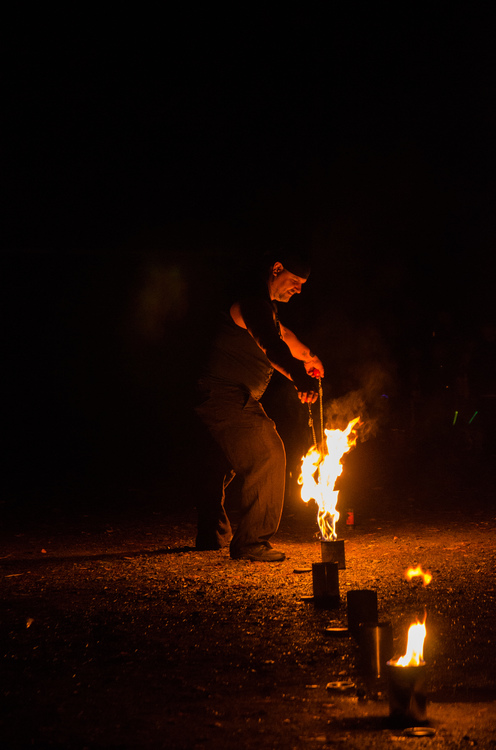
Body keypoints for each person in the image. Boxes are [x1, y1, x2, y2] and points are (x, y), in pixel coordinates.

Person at [194, 250, 324, 562]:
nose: (299, 289)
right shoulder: (252, 302)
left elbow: (283, 335)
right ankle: (251, 543)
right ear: (276, 269)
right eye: (294, 281)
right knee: (268, 452)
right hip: (224, 394)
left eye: (303, 284)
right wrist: (297, 377)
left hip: (220, 395)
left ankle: (212, 535)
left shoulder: (264, 307)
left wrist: (308, 358)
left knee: (220, 462)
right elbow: (270, 343)